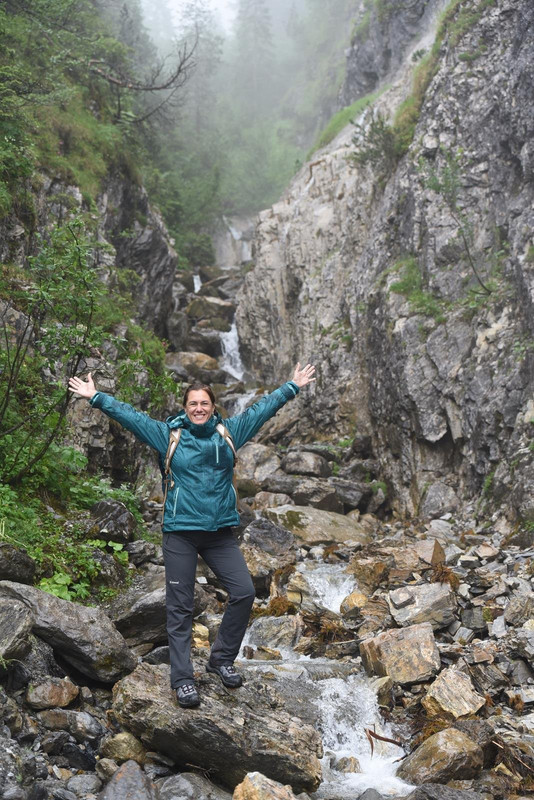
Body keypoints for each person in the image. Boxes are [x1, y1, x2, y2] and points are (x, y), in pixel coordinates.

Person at [68, 362, 315, 708]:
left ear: (214, 407)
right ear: (185, 408)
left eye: (205, 404)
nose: (199, 409)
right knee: (181, 608)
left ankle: (221, 660)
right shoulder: (169, 435)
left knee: (244, 592)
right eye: (193, 404)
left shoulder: (230, 433)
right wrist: (96, 397)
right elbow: (131, 417)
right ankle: (183, 679)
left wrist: (292, 386)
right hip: (181, 533)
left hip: (219, 534)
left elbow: (262, 411)